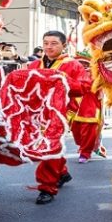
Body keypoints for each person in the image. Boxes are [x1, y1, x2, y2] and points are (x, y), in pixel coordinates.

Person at [26, 30, 90, 204]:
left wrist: (63, 79)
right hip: (39, 113)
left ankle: (47, 187)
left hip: (62, 112)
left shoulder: (73, 65)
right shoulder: (33, 66)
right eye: (46, 43)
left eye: (54, 43)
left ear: (63, 46)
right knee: (46, 146)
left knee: (50, 146)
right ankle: (61, 172)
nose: (49, 46)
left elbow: (84, 87)